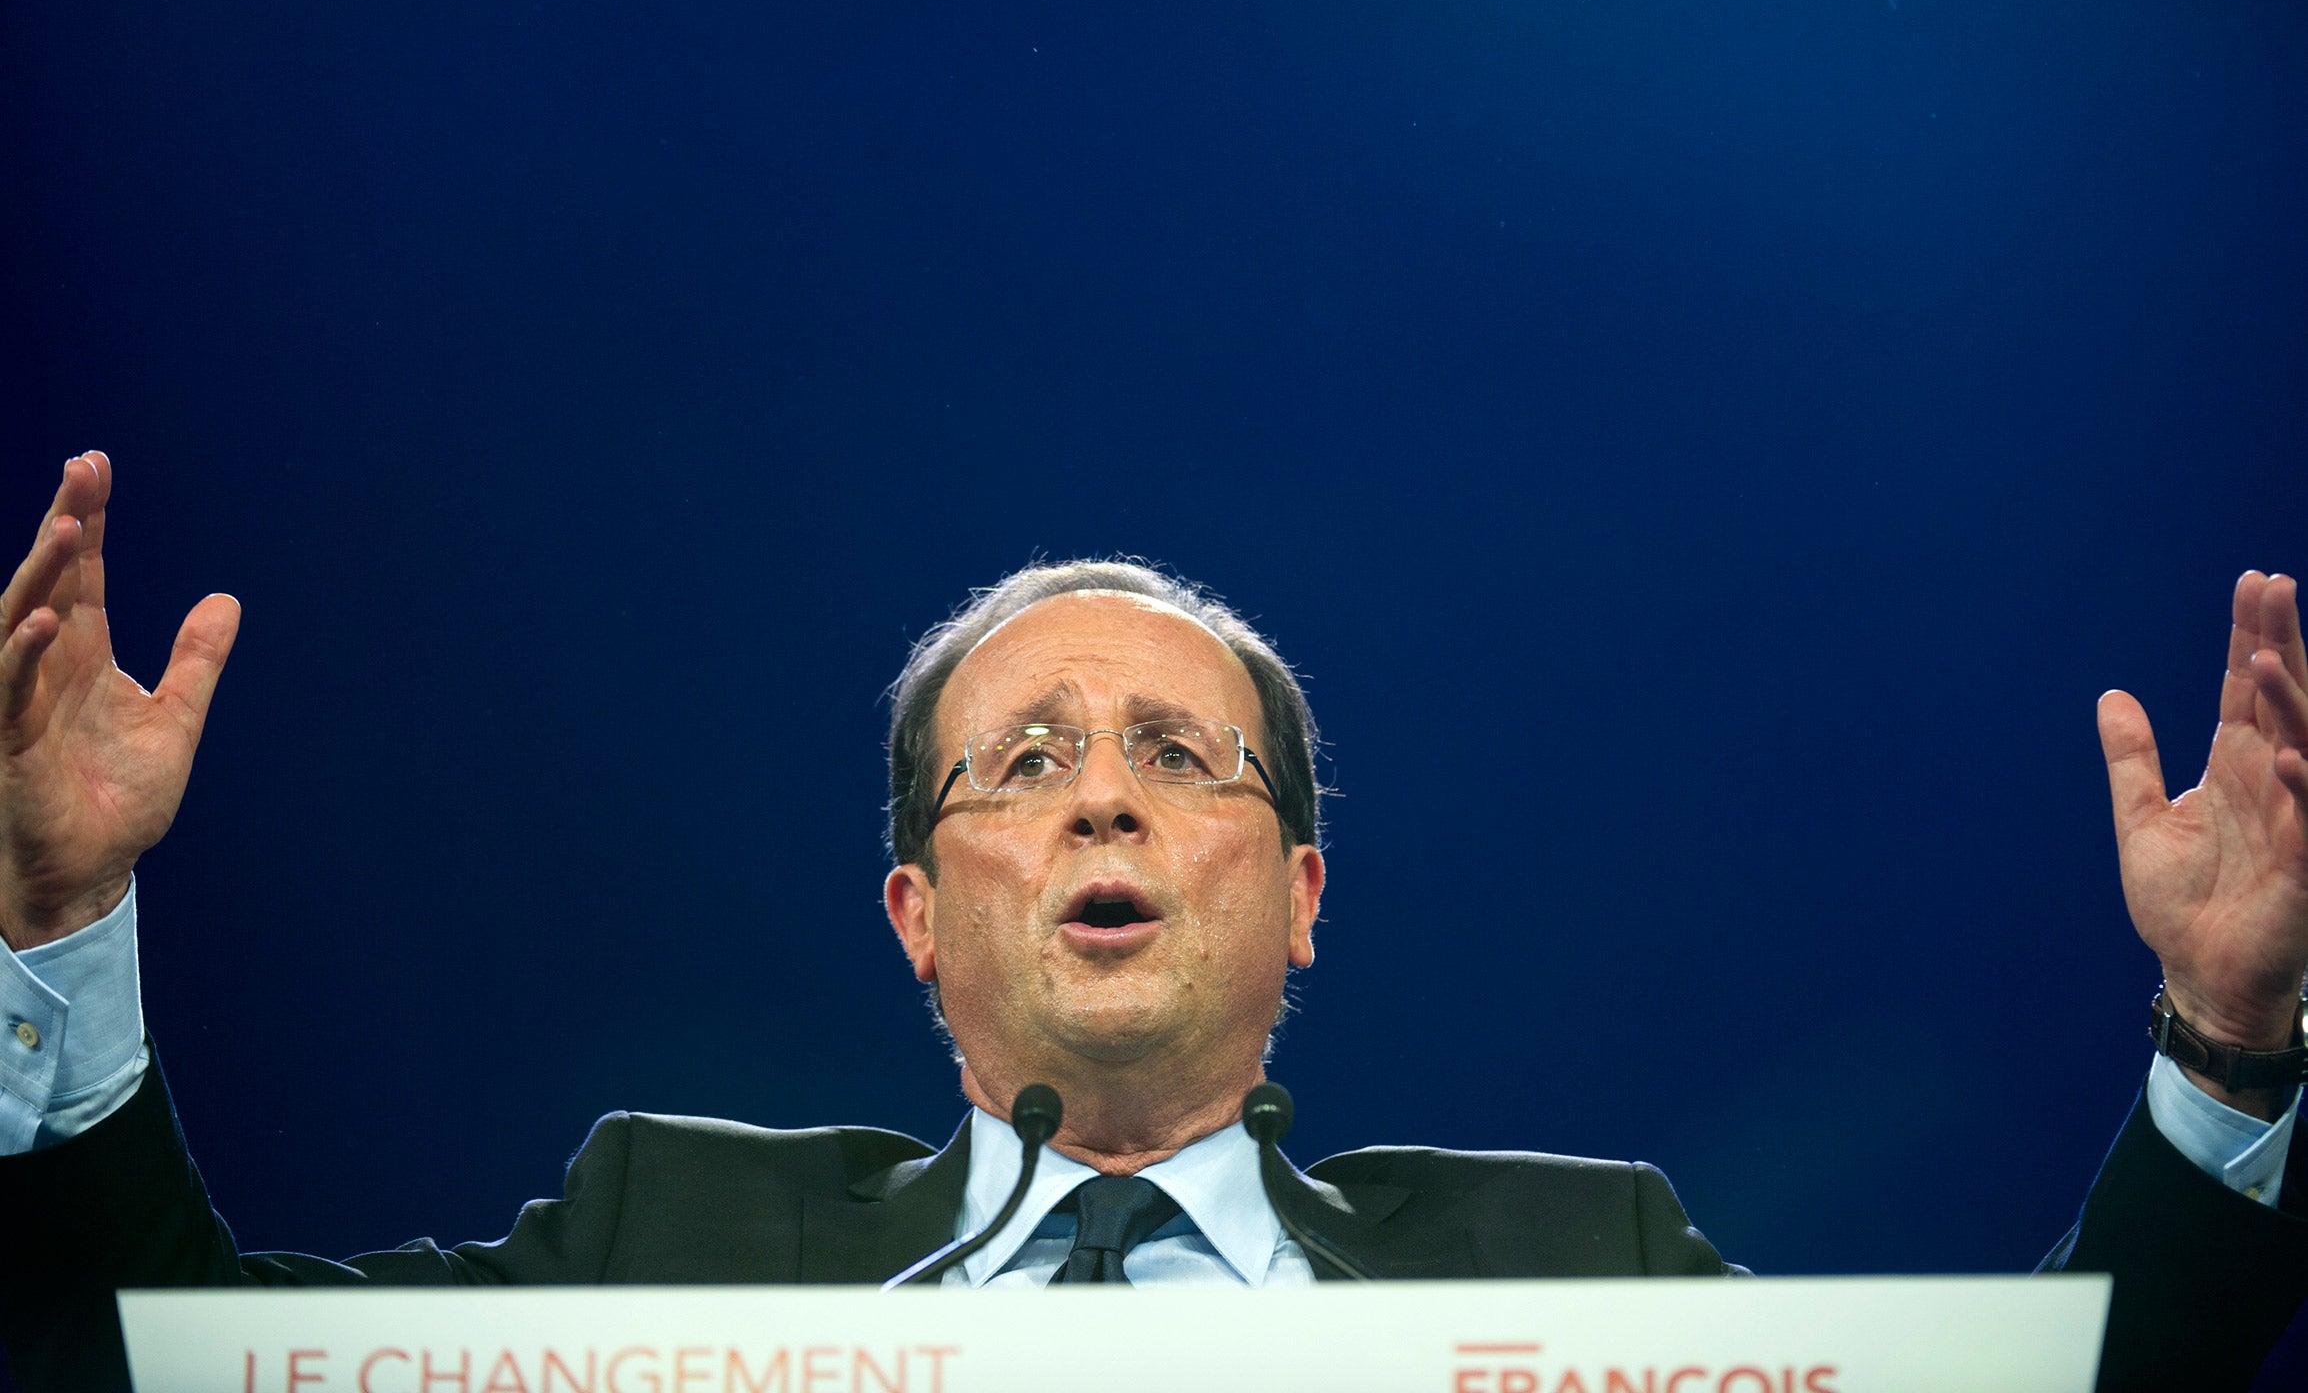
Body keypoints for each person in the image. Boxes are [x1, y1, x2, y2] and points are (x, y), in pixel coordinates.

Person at [1, 450, 2304, 1392]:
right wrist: (57, 916)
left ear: (1298, 898)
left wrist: (2217, 1050)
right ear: (919, 915)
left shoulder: (1575, 1264)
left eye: (1178, 757)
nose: (1100, 784)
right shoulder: (655, 1226)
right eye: (1020, 762)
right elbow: (148, 1359)